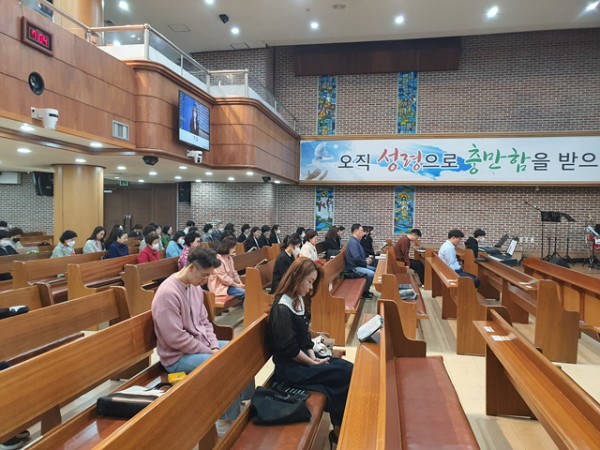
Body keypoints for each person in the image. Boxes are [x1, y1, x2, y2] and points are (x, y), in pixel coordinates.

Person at [152, 247, 252, 430]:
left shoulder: (195, 288)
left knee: (239, 350)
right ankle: (227, 422)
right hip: (177, 356)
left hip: (199, 346)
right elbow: (175, 338)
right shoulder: (168, 293)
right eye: (205, 275)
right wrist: (210, 351)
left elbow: (205, 322)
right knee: (222, 364)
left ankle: (244, 402)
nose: (206, 280)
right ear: (191, 268)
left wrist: (213, 345)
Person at [268, 258, 353, 446]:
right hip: (290, 370)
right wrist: (312, 363)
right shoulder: (282, 308)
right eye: (309, 281)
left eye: (313, 282)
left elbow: (305, 337)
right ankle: (338, 432)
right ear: (297, 277)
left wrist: (314, 357)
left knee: (346, 368)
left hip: (304, 361)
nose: (310, 287)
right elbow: (289, 349)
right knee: (344, 373)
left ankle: (339, 429)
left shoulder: (297, 299)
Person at [208, 237, 245, 304]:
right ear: (227, 247)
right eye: (233, 248)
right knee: (245, 293)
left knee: (248, 290)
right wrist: (237, 285)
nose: (234, 250)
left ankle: (249, 308)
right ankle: (249, 310)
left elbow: (234, 272)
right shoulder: (218, 259)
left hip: (229, 285)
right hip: (221, 287)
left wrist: (240, 283)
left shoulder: (229, 257)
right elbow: (223, 278)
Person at [345, 224, 375, 299]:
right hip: (353, 268)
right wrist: (366, 262)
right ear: (355, 231)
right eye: (361, 231)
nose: (363, 233)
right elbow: (356, 258)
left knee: (374, 269)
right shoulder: (353, 243)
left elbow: (359, 255)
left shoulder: (356, 241)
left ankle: (365, 290)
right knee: (371, 274)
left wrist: (366, 259)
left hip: (357, 265)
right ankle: (364, 292)